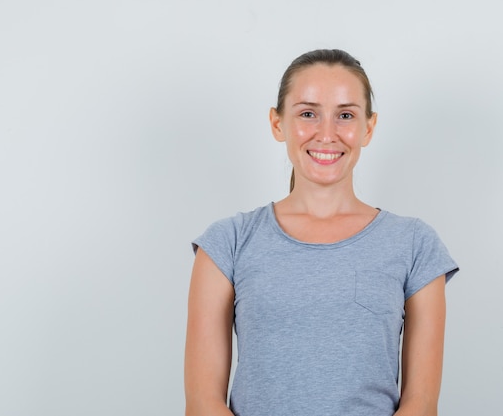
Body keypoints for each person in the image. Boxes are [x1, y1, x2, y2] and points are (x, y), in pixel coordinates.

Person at [184, 49, 459, 416]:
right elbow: (202, 404)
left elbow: (421, 405)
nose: (326, 134)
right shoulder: (227, 244)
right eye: (308, 113)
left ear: (369, 127)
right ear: (277, 123)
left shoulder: (415, 245)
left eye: (345, 115)